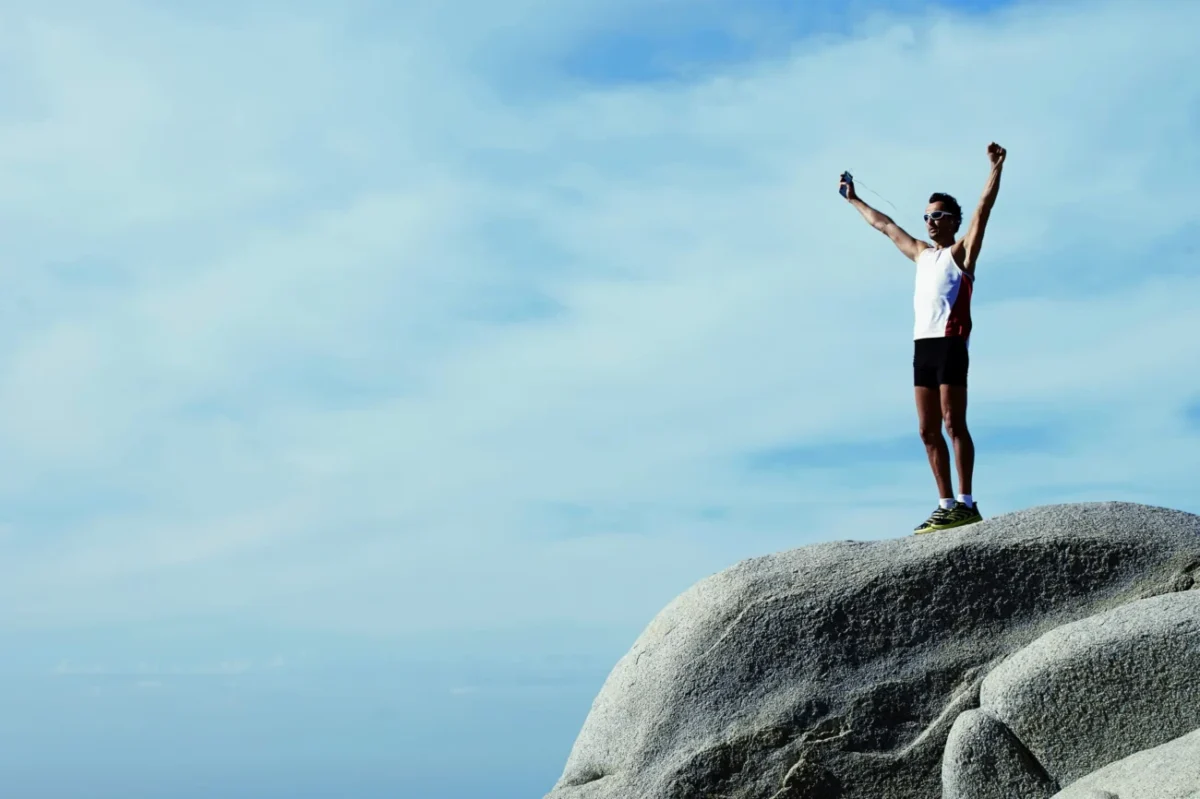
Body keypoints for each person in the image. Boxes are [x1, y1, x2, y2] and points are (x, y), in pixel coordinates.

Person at [841, 142, 1006, 533]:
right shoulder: (920, 253)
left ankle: (966, 503)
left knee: (953, 423)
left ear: (952, 221)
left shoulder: (961, 253)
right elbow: (883, 225)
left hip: (950, 343)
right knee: (926, 430)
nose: (930, 222)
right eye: (927, 216)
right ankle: (945, 504)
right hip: (923, 346)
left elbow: (983, 210)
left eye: (938, 216)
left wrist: (996, 168)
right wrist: (853, 198)